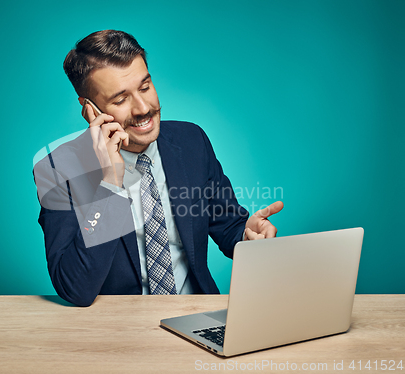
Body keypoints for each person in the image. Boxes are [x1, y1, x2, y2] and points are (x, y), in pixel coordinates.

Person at [33, 30, 283, 307]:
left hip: (195, 315)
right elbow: (75, 288)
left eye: (145, 87)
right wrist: (111, 184)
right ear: (89, 109)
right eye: (120, 99)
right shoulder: (57, 169)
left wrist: (247, 237)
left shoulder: (191, 141)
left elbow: (228, 226)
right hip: (115, 331)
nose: (143, 109)